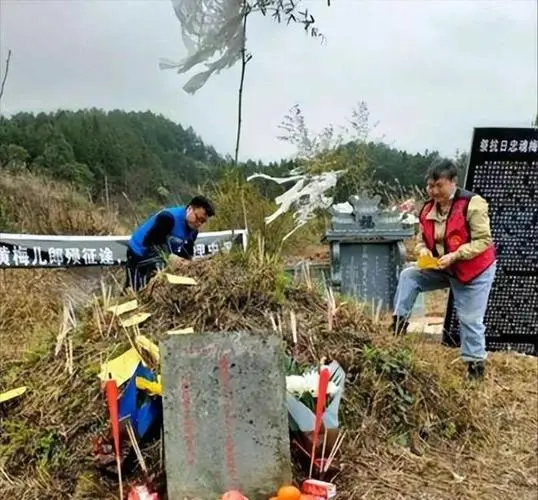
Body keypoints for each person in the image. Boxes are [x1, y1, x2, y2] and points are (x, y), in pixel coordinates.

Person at [391, 160, 496, 381]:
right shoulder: (427, 209)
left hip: (473, 270)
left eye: (439, 185)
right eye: (430, 186)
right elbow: (421, 240)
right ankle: (398, 327)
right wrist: (423, 252)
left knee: (469, 318)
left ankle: (475, 367)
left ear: (453, 182)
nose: (434, 191)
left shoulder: (472, 204)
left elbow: (484, 241)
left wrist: (456, 255)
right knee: (409, 276)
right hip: (442, 265)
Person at [124, 195, 215, 292]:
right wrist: (171, 258)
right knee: (136, 289)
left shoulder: (193, 231)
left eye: (203, 221)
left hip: (161, 256)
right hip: (139, 252)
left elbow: (187, 253)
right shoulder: (168, 218)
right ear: (190, 209)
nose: (199, 223)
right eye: (197, 218)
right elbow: (152, 243)